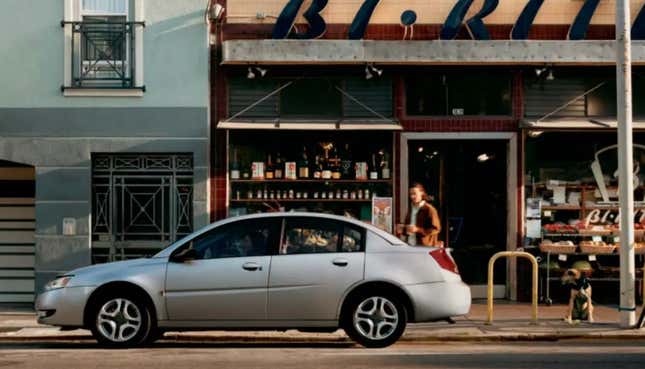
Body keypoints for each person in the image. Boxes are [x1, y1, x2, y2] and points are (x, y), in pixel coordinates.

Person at [396, 182, 442, 247]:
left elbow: (436, 229)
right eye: (411, 194)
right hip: (410, 245)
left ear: (421, 193)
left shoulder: (429, 209)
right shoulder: (411, 208)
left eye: (414, 193)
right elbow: (410, 229)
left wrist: (418, 230)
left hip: (424, 247)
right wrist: (403, 229)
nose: (412, 196)